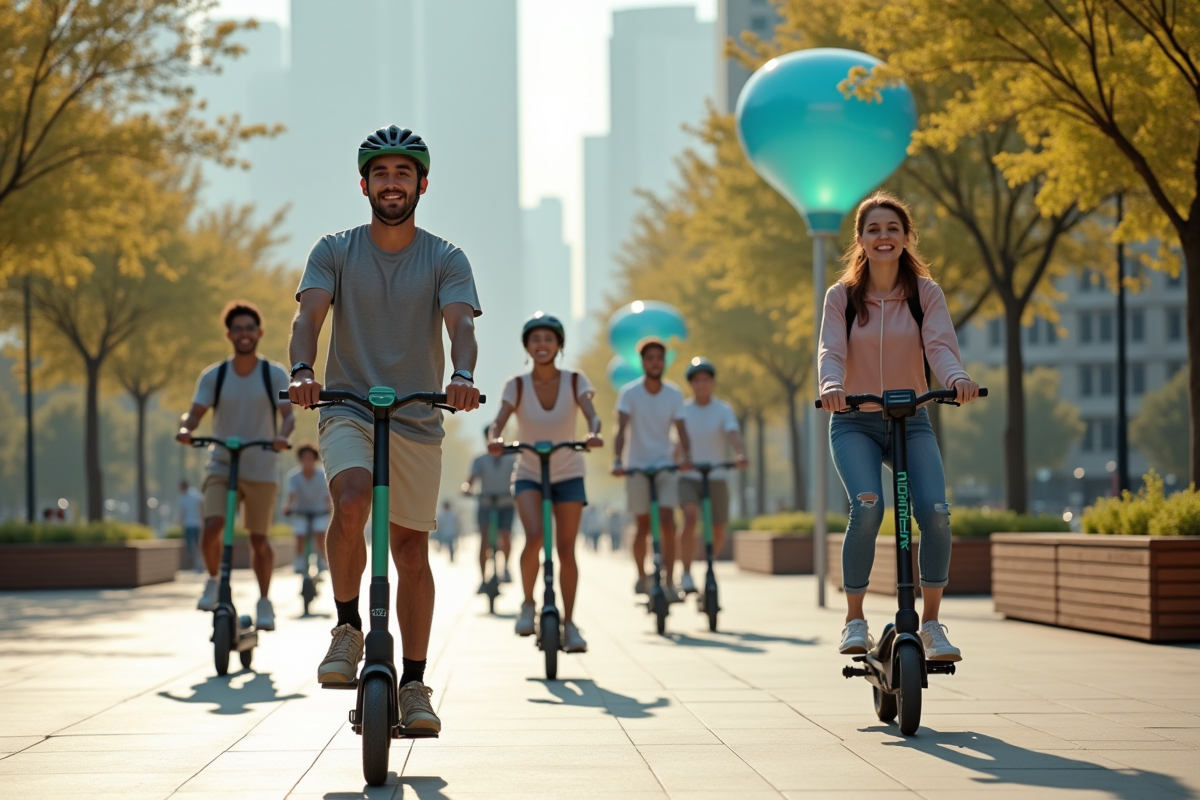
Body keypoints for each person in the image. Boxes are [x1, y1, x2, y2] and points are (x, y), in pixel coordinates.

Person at [287, 125, 482, 736]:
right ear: (364, 184)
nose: (391, 183)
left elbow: (461, 325)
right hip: (346, 402)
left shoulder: (446, 258)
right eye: (380, 173)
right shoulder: (335, 250)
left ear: (421, 184)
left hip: (418, 414)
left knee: (410, 550)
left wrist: (464, 371)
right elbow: (308, 317)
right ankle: (348, 627)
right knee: (348, 501)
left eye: (402, 173)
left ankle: (415, 683)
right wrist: (301, 369)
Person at [817, 191, 980, 663]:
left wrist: (956, 379)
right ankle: (854, 618)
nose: (884, 236)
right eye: (874, 230)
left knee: (935, 512)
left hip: (911, 421)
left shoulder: (925, 294)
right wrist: (831, 385)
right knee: (868, 506)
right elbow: (831, 350)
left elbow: (940, 345)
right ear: (861, 241)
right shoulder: (842, 297)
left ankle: (930, 624)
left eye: (892, 229)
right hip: (854, 422)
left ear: (907, 237)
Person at [488, 312, 602, 652]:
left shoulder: (575, 380)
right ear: (527, 346)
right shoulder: (517, 385)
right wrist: (495, 440)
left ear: (559, 345)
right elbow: (499, 422)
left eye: (548, 339)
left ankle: (570, 623)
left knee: (566, 549)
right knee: (535, 536)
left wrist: (594, 432)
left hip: (568, 472)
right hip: (529, 474)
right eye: (535, 340)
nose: (542, 345)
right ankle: (527, 604)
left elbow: (590, 413)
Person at [176, 301, 293, 630]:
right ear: (229, 334)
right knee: (212, 526)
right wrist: (187, 429)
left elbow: (287, 417)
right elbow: (195, 413)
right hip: (222, 463)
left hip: (261, 466)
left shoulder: (273, 373)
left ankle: (264, 601)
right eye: (238, 329)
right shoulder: (215, 375)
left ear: (260, 333)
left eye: (250, 328)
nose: (244, 334)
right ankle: (213, 580)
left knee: (259, 540)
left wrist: (282, 438)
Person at [612, 338, 691, 601]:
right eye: (650, 358)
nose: (655, 362)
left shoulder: (674, 393)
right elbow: (620, 429)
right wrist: (617, 461)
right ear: (642, 362)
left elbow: (681, 429)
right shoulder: (629, 393)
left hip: (665, 464)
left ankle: (669, 580)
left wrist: (686, 456)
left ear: (664, 362)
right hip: (636, 465)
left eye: (659, 358)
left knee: (668, 520)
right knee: (642, 523)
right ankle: (641, 575)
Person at [677, 358, 747, 593]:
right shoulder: (683, 410)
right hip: (689, 476)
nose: (701, 385)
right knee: (690, 516)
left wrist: (740, 453)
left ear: (712, 383)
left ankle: (709, 566)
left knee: (718, 528)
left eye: (706, 380)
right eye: (697, 381)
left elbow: (732, 433)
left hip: (716, 476)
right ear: (691, 384)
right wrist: (678, 462)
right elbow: (677, 442)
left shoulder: (723, 409)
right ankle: (685, 573)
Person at [463, 426, 516, 590]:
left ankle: (505, 567)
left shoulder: (511, 459)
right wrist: (466, 488)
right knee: (484, 539)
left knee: (506, 536)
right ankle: (483, 579)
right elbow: (470, 480)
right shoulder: (480, 460)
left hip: (506, 502)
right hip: (486, 502)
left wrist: (516, 489)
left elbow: (516, 477)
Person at [282, 443, 331, 575]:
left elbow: (327, 496)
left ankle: (322, 560)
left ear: (314, 460)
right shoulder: (294, 476)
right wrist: (288, 507)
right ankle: (299, 561)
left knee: (320, 534)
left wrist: (330, 508)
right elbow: (291, 495)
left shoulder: (322, 476)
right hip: (300, 512)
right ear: (300, 460)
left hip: (320, 512)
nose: (307, 461)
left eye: (310, 458)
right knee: (300, 536)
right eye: (304, 458)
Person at [177, 480, 204, 574]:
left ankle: (198, 564)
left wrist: (179, 522)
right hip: (197, 524)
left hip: (189, 524)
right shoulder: (195, 494)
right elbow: (201, 505)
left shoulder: (183, 498)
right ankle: (199, 563)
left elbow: (182, 512)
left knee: (192, 546)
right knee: (197, 545)